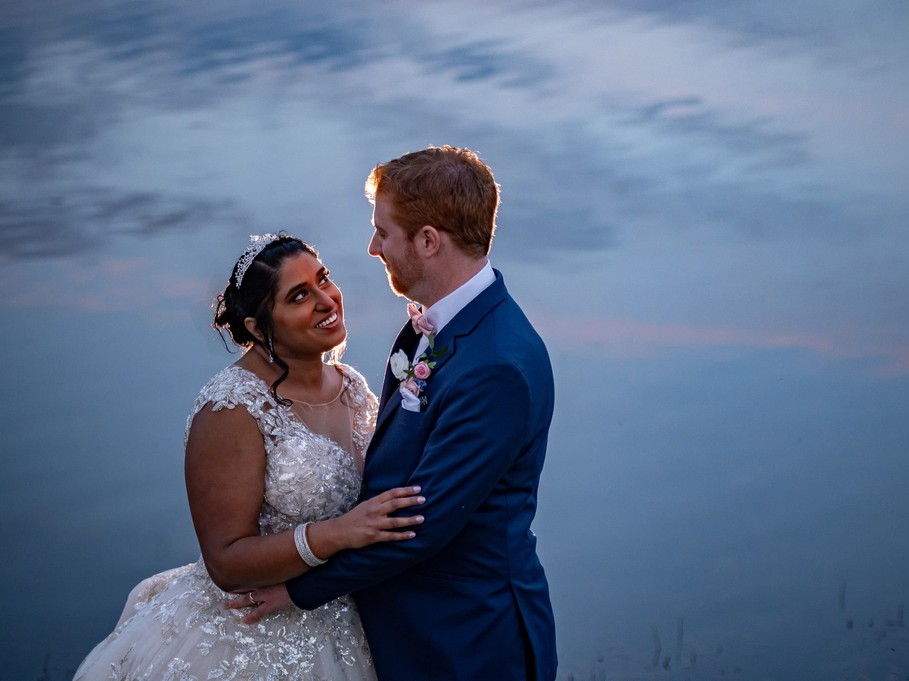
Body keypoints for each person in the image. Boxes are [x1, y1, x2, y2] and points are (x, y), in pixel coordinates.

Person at [241, 146, 558, 681]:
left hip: (467, 642)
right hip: (409, 627)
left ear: (428, 241)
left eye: (383, 232)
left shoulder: (497, 366)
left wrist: (298, 590)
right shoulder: (431, 327)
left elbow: (421, 524)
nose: (372, 247)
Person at [74, 234, 425, 680]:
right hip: (253, 636)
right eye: (299, 296)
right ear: (259, 328)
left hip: (345, 612)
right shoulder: (231, 407)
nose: (326, 300)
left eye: (324, 280)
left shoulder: (350, 384)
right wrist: (340, 533)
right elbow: (225, 561)